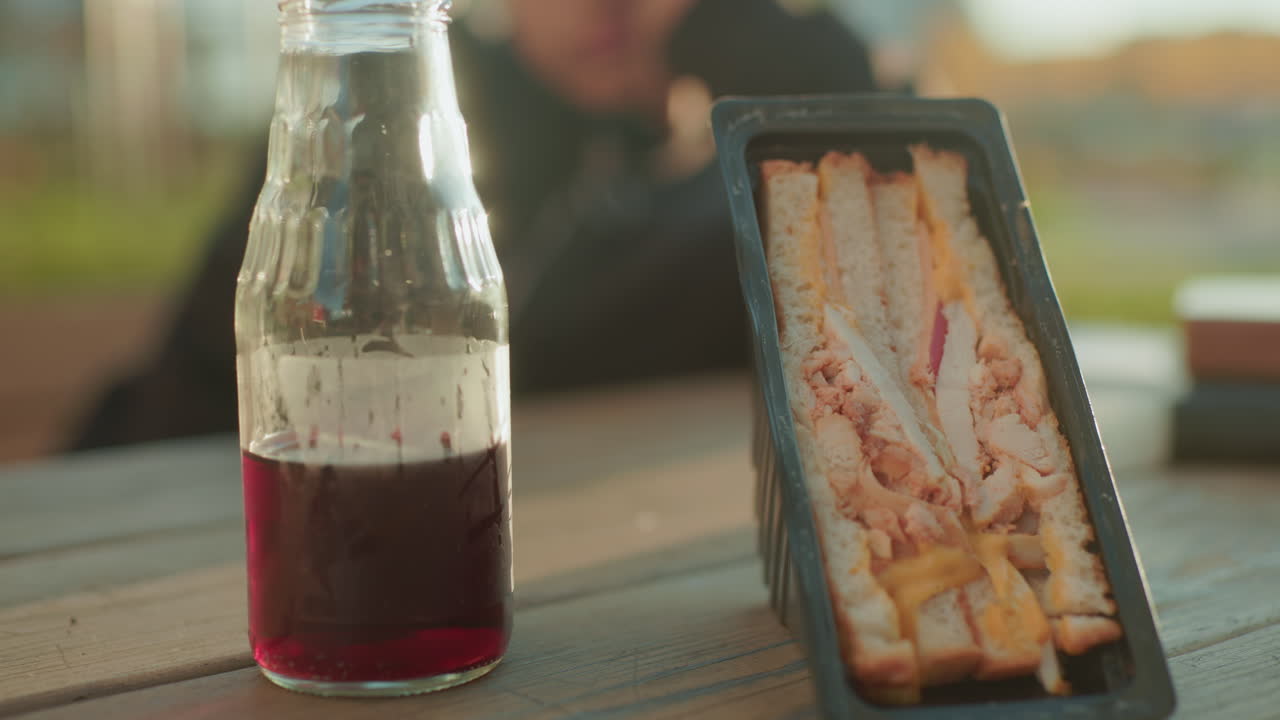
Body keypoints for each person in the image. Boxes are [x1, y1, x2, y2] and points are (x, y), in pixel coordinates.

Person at [68, 0, 878, 451]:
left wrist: (730, 37)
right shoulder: (403, 96)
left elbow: (886, 206)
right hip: (185, 482)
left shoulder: (731, 176)